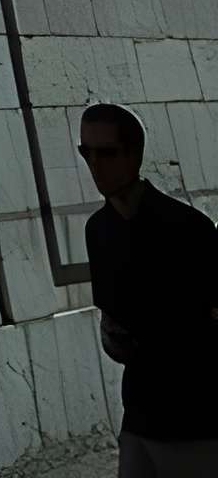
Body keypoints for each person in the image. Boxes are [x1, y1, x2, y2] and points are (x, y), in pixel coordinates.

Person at [81, 102, 218, 474]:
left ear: (133, 154)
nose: (95, 165)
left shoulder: (189, 229)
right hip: (139, 415)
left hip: (194, 422)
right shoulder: (98, 230)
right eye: (86, 153)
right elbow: (113, 322)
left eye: (106, 153)